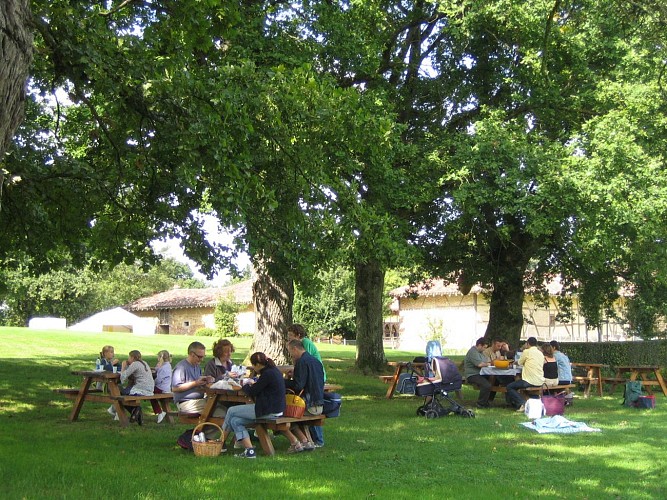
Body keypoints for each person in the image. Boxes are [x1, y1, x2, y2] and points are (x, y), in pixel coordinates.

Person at [220, 352, 288, 459]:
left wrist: (243, 385)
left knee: (231, 411)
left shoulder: (267, 374)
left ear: (258, 365)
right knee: (235, 421)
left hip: (268, 410)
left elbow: (252, 392)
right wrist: (252, 383)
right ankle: (250, 451)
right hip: (277, 409)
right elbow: (262, 387)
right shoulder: (273, 371)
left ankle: (220, 442)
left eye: (253, 365)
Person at [287, 324, 326, 447]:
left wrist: (283, 382)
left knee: (284, 414)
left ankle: (304, 441)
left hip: (310, 405)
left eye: (290, 353)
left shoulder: (302, 362)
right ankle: (310, 440)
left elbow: (298, 386)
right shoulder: (315, 361)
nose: (291, 356)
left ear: (295, 349)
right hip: (319, 402)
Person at [171, 341, 225, 420]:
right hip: (186, 403)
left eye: (203, 356)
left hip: (198, 401)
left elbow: (197, 383)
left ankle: (198, 432)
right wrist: (196, 383)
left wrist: (206, 380)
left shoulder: (196, 366)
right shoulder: (181, 367)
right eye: (199, 357)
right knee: (222, 412)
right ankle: (198, 432)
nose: (202, 359)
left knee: (220, 408)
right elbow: (175, 388)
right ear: (192, 354)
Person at [506, 337, 545, 411]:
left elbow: (519, 362)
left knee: (509, 387)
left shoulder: (526, 351)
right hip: (540, 380)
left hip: (529, 380)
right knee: (516, 385)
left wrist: (514, 362)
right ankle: (514, 403)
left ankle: (523, 403)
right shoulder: (540, 353)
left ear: (527, 343)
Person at [119, 350, 155, 425]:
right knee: (125, 393)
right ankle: (136, 413)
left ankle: (136, 409)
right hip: (150, 389)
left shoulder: (135, 364)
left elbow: (123, 376)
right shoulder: (144, 363)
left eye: (129, 357)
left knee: (119, 394)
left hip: (141, 388)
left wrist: (123, 366)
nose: (128, 359)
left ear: (132, 357)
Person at [463, 337, 494, 408]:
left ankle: (488, 400)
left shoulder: (480, 352)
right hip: (472, 375)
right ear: (479, 345)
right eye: (484, 347)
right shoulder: (473, 352)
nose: (485, 349)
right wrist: (489, 364)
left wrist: (488, 362)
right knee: (486, 385)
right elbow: (479, 364)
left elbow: (486, 360)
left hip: (481, 373)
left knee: (496, 380)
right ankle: (481, 403)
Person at [152, 350, 172, 423]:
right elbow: (158, 369)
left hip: (161, 388)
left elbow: (159, 379)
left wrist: (153, 383)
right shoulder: (167, 365)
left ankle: (159, 412)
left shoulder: (163, 368)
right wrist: (156, 367)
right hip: (166, 387)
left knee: (149, 392)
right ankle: (159, 412)